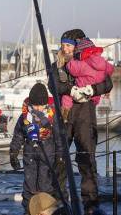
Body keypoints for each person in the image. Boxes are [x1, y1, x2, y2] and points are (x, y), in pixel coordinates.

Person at [49, 29, 113, 214]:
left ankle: (91, 204)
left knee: (86, 157)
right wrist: (71, 90)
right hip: (65, 114)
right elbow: (52, 84)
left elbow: (107, 83)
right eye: (62, 46)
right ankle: (59, 201)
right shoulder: (58, 66)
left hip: (85, 114)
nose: (65, 49)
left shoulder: (90, 62)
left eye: (68, 45)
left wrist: (92, 90)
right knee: (59, 157)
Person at [9, 83, 61, 215]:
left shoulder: (53, 116)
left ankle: (47, 211)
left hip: (47, 154)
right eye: (35, 105)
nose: (37, 108)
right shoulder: (25, 117)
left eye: (40, 105)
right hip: (30, 154)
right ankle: (28, 211)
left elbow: (59, 136)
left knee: (45, 185)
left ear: (45, 104)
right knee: (29, 185)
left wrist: (60, 155)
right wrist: (13, 152)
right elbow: (18, 135)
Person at [60, 37, 114, 122]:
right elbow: (110, 69)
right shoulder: (103, 62)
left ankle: (65, 114)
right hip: (94, 97)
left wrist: (70, 60)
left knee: (67, 96)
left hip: (81, 90)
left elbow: (72, 68)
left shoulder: (83, 64)